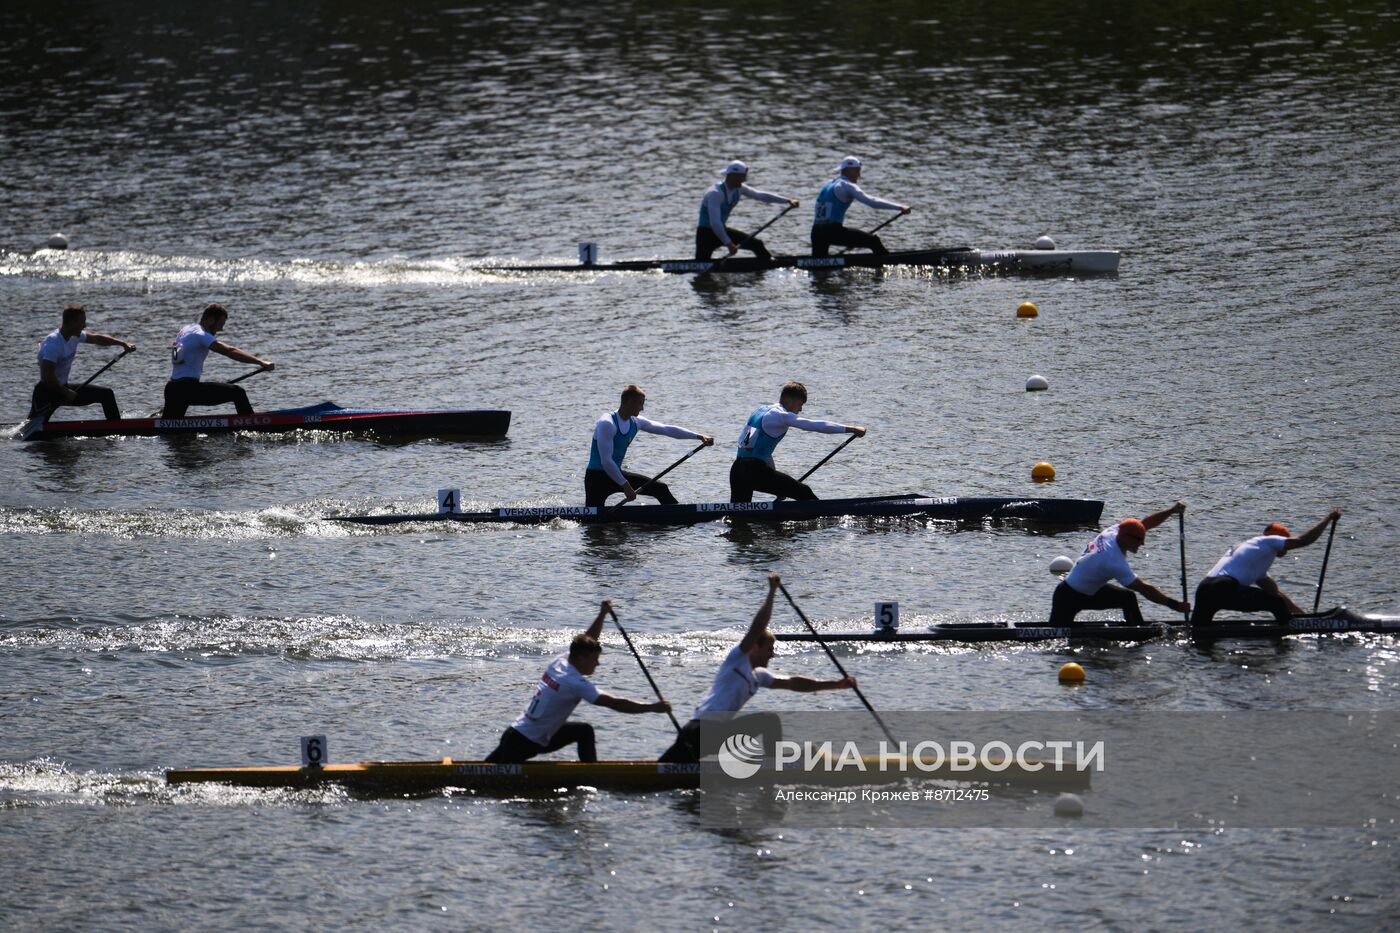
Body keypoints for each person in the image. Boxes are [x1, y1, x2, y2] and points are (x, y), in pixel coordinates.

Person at [658, 572, 856, 763]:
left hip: (708, 735)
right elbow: (758, 626)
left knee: (665, 770)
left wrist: (837, 685)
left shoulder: (758, 676)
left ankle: (774, 761)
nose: (773, 654)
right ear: (755, 647)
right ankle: (775, 763)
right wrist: (772, 592)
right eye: (769, 649)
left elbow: (793, 683)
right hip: (701, 730)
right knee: (768, 720)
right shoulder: (737, 659)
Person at [485, 600, 672, 763]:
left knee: (584, 731)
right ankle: (591, 778)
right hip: (523, 743)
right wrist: (652, 707)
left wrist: (602, 615)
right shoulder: (574, 682)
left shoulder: (561, 661)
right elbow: (614, 703)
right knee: (485, 778)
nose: (597, 664)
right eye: (595, 660)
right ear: (582, 659)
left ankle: (590, 774)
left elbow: (587, 640)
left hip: (517, 735)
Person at [1049, 502, 1191, 626]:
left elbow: (1144, 524)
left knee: (1127, 598)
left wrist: (1171, 511)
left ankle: (1136, 633)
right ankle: (1138, 638)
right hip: (1067, 598)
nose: (1143, 543)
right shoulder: (1113, 559)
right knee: (1052, 635)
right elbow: (1145, 589)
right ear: (1127, 538)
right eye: (1139, 540)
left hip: (1089, 590)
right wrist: (1175, 605)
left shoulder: (1115, 531)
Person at [1192, 509, 1342, 624]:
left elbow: (1275, 593)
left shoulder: (1253, 554)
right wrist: (1328, 518)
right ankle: (1290, 635)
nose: (1287, 549)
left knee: (1199, 631)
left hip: (1204, 589)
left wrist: (1304, 617)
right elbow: (1304, 540)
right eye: (1286, 543)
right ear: (1280, 539)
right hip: (1224, 587)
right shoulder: (1270, 541)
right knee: (1276, 604)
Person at [729, 382, 865, 503]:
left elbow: (761, 451)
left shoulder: (760, 410)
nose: (800, 410)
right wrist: (851, 429)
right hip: (754, 471)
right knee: (805, 492)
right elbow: (816, 425)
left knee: (739, 513)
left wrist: (778, 487)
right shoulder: (781, 415)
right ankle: (828, 521)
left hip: (737, 470)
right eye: (800, 405)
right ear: (789, 400)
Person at [586, 385, 714, 507]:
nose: (642, 408)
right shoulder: (607, 423)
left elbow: (666, 429)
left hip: (616, 474)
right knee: (592, 520)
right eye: (640, 404)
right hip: (597, 478)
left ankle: (680, 519)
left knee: (660, 489)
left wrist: (698, 436)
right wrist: (626, 486)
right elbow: (606, 461)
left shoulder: (636, 422)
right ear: (629, 402)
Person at [162, 303, 275, 418]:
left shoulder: (185, 330)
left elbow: (179, 356)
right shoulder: (201, 334)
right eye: (221, 324)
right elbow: (230, 351)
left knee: (169, 429)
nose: (221, 329)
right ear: (211, 320)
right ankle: (252, 424)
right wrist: (261, 362)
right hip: (188, 389)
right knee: (237, 392)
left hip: (172, 389)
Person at [29, 305, 136, 422]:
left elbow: (97, 339)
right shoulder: (54, 343)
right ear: (71, 323)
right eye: (82, 322)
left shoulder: (74, 336)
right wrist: (66, 392)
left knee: (106, 395)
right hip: (47, 392)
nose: (84, 326)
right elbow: (47, 377)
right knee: (32, 428)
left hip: (63, 388)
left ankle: (116, 427)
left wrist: (123, 344)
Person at [695, 160, 800, 261]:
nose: (744, 180)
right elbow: (715, 223)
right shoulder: (715, 193)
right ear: (732, 176)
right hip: (706, 234)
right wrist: (729, 244)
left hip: (721, 230)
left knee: (757, 244)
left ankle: (767, 266)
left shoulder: (739, 188)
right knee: (700, 264)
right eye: (742, 177)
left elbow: (760, 195)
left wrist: (787, 200)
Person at [810, 156, 911, 257]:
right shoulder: (847, 185)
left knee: (818, 264)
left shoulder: (828, 184)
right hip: (833, 231)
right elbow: (872, 201)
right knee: (873, 241)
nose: (859, 175)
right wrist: (899, 207)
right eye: (858, 170)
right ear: (849, 170)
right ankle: (888, 263)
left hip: (816, 232)